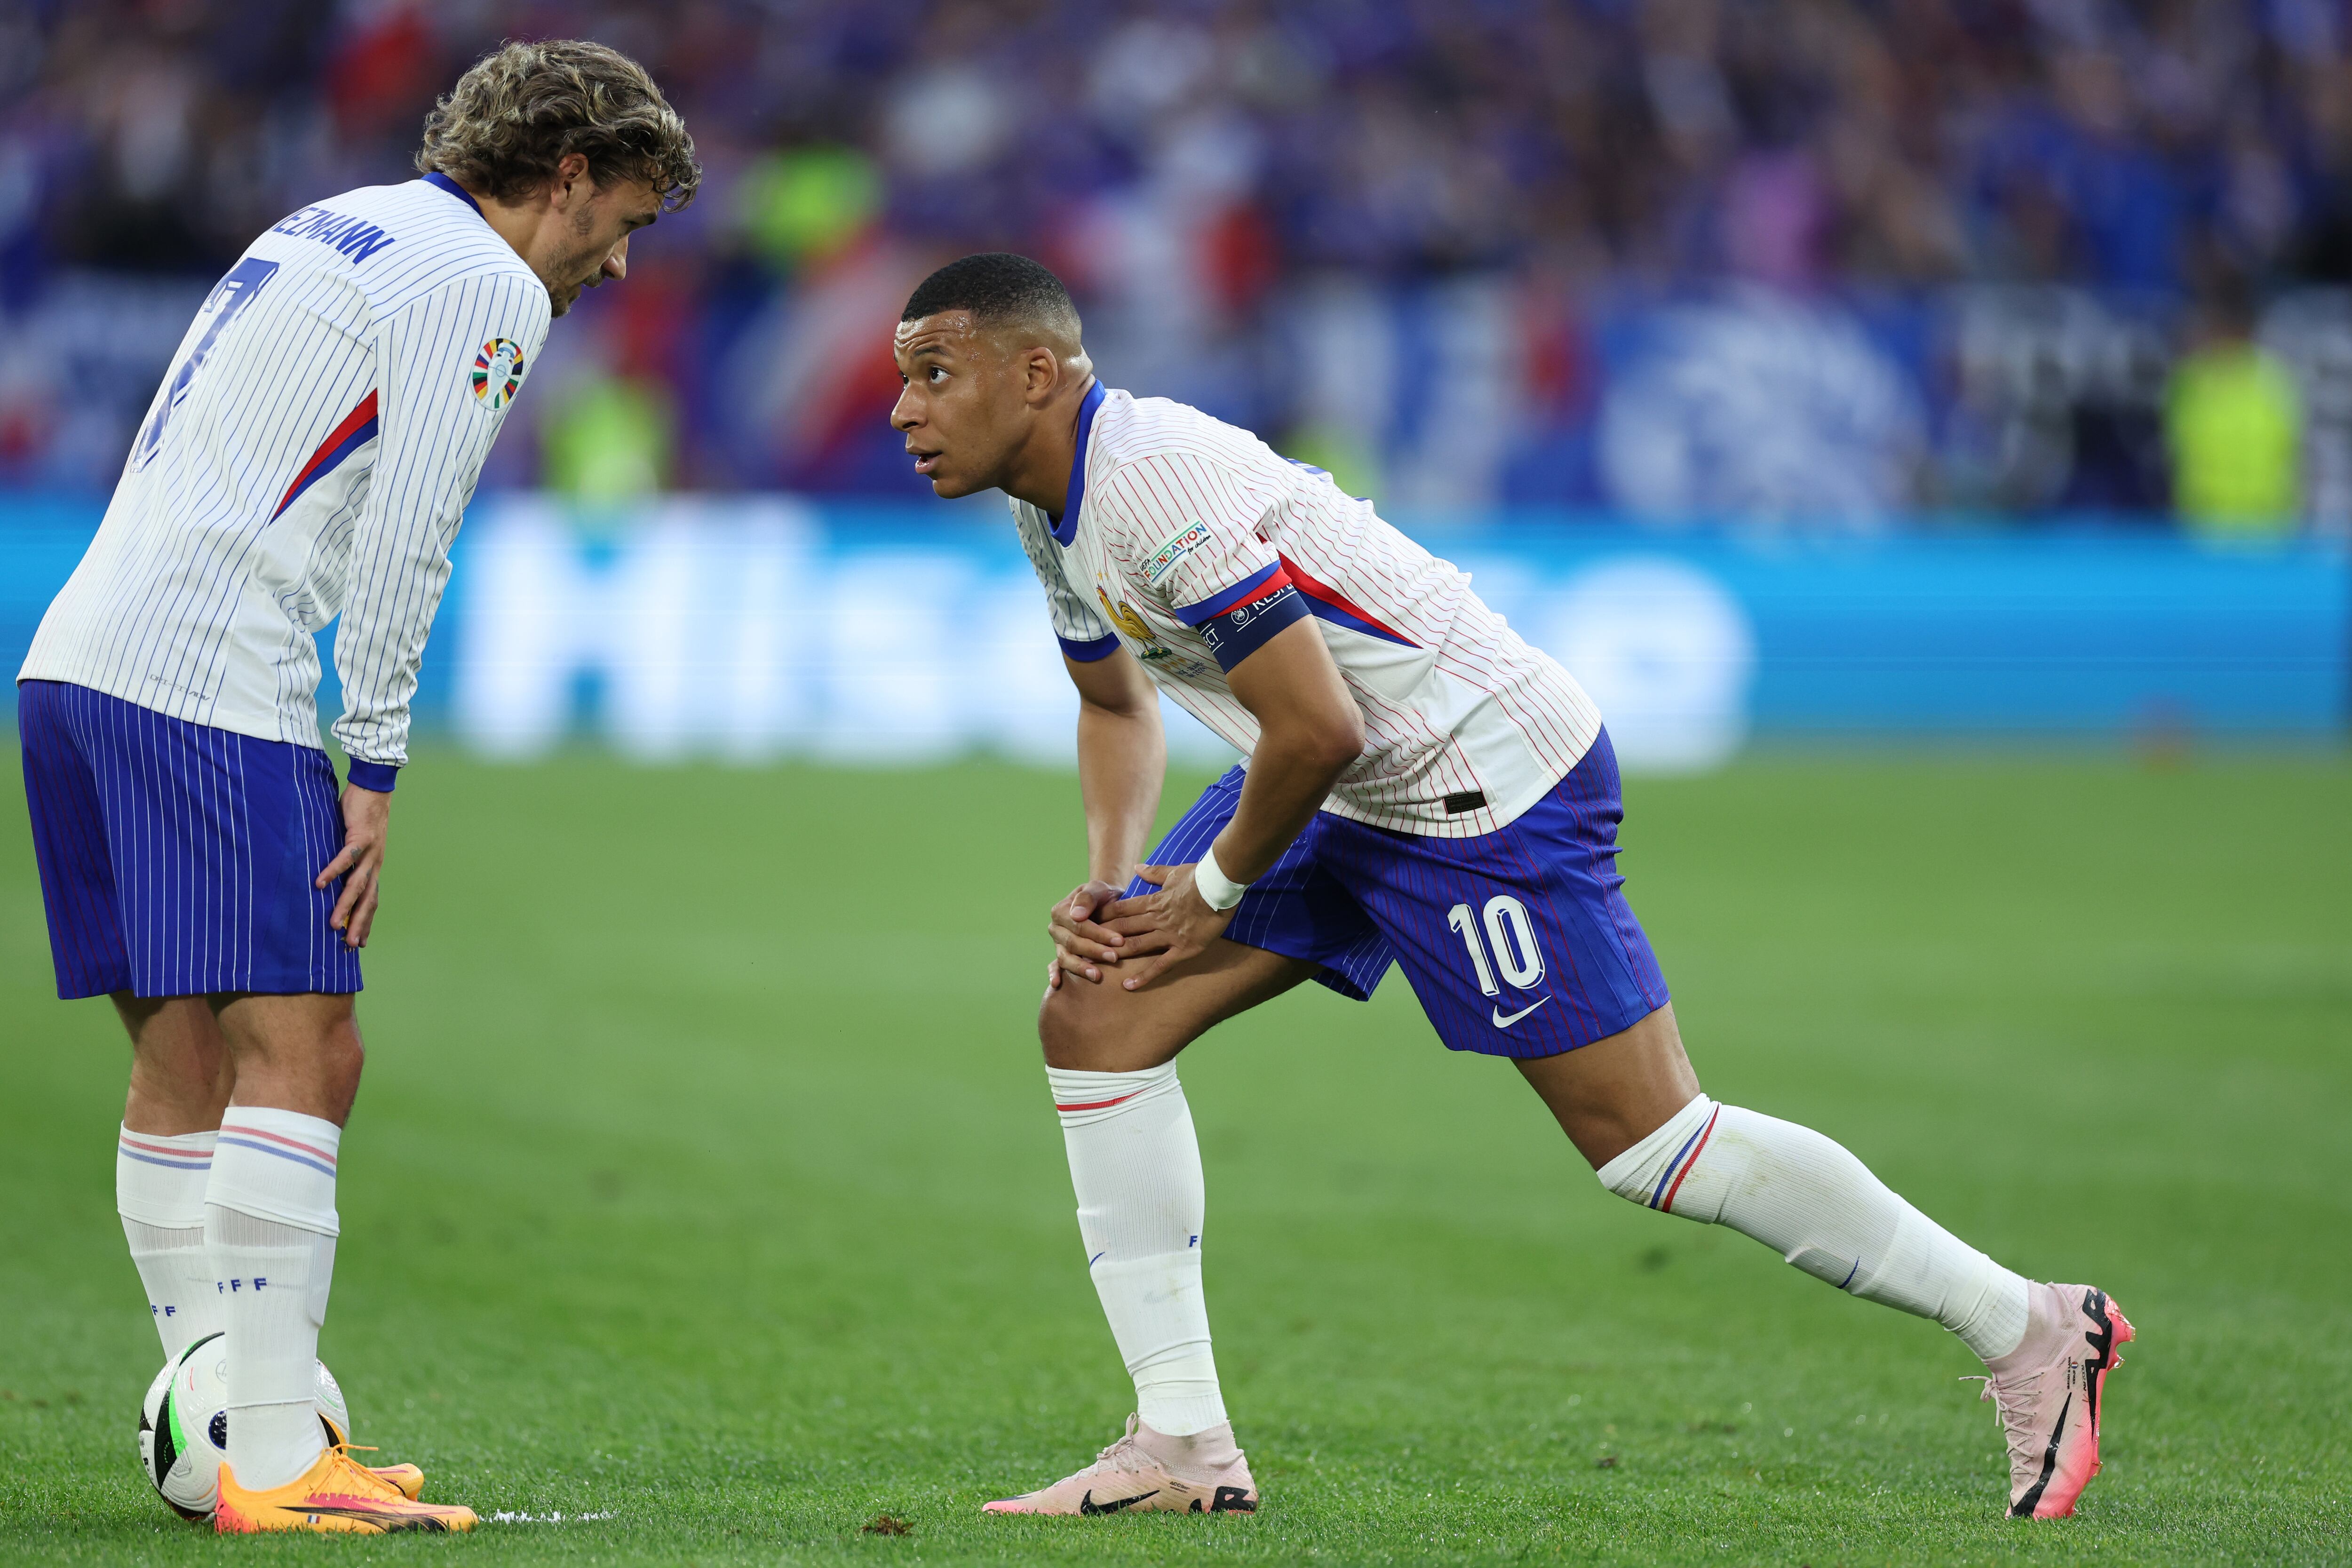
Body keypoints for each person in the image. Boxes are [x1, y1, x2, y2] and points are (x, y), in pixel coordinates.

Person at [889, 253, 2133, 1522]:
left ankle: (2032, 1327)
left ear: (1036, 376)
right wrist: (1114, 893)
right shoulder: (1048, 504)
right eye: (904, 382)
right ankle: (1182, 1447)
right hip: (1343, 775)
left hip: (1478, 782)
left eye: (935, 375)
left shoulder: (1153, 490)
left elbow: (1318, 726)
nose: (903, 411)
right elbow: (1114, 701)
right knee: (1100, 1009)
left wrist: (1203, 892)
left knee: (1653, 1147)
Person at [16, 40, 697, 1535]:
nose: (623, 258)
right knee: (311, 1049)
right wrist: (372, 761)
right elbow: (409, 544)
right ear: (565, 173)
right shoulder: (485, 282)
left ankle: (225, 1402)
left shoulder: (328, 221)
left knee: (185, 1057)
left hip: (76, 664)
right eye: (623, 216)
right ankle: (271, 1454)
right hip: (210, 679)